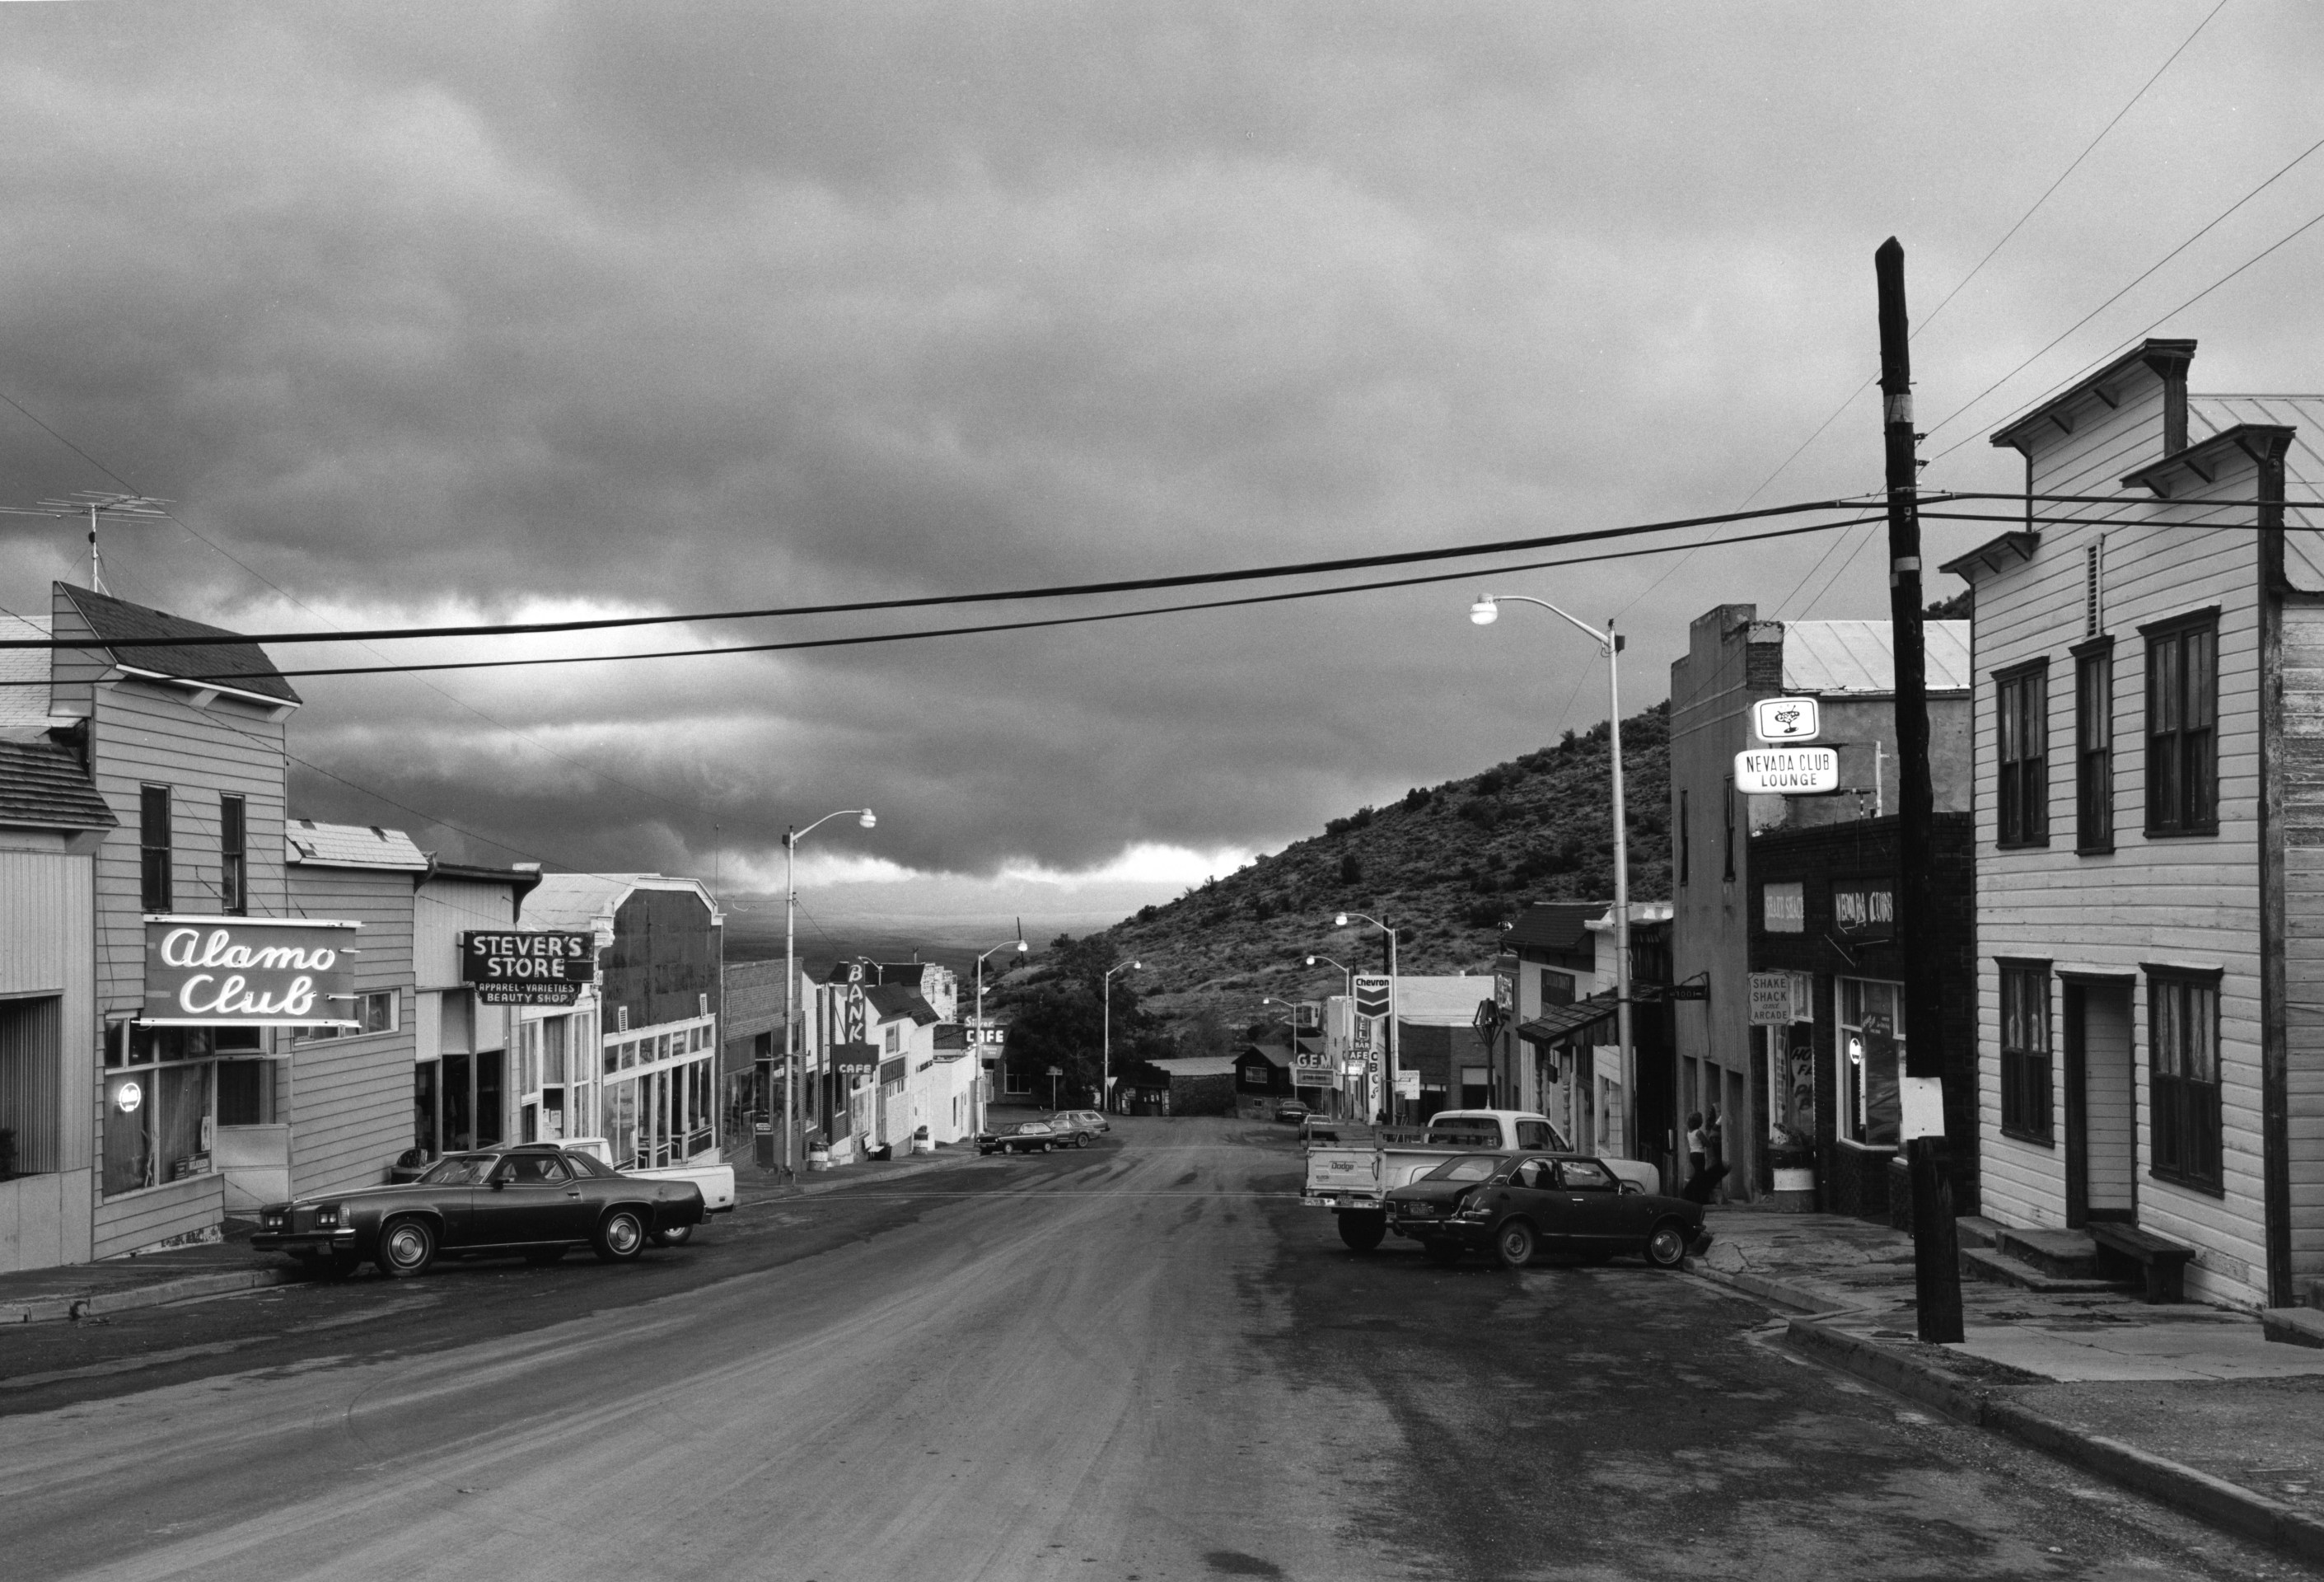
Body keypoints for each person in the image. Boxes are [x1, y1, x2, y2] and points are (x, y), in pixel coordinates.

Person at [1683, 1111, 1707, 1201]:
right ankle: (1697, 1196)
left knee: (1698, 1174)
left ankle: (1694, 1195)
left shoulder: (1689, 1132)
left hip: (1692, 1154)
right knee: (1700, 1175)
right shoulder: (1698, 1133)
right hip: (1699, 1154)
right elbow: (1707, 1144)